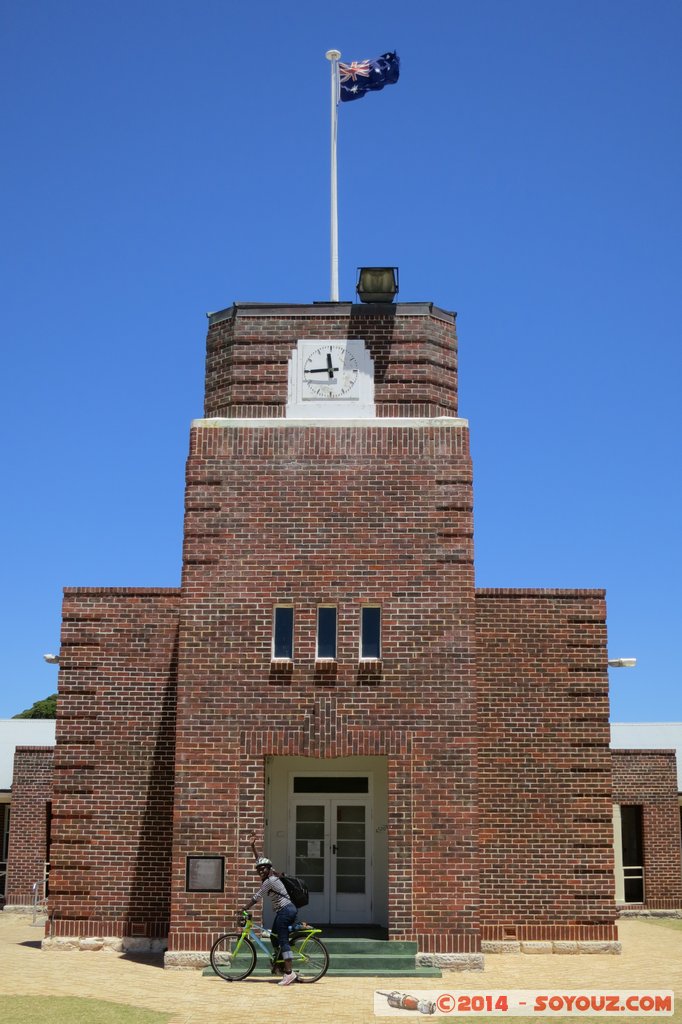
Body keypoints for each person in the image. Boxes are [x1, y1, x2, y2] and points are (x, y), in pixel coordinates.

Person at [240, 833, 298, 985]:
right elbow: (260, 860)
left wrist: (244, 908)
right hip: (283, 911)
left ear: (269, 869)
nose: (260, 871)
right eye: (258, 869)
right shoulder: (271, 875)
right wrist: (253, 847)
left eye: (262, 869)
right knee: (273, 936)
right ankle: (280, 963)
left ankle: (289, 973)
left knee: (283, 939)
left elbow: (257, 897)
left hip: (286, 910)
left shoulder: (270, 881)